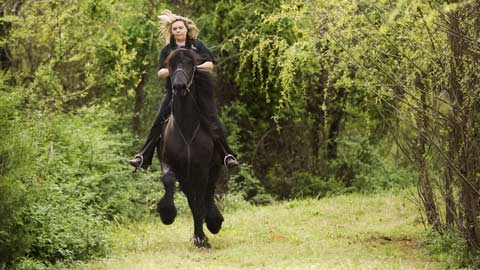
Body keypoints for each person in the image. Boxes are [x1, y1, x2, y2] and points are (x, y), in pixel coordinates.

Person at [129, 10, 239, 170]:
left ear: (187, 29)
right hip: (173, 93)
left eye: (180, 28)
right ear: (171, 32)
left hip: (197, 94)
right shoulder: (167, 50)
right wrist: (176, 69)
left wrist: (192, 67)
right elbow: (161, 72)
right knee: (158, 119)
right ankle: (143, 155)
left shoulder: (197, 45)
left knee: (213, 119)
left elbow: (210, 65)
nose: (178, 31)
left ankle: (227, 155)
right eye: (175, 29)